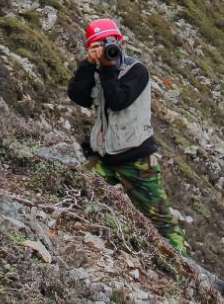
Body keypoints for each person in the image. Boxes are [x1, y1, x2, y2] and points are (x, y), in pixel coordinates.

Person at [67, 17, 187, 255]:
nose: (107, 49)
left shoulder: (137, 70)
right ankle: (90, 235)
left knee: (161, 220)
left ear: (120, 42)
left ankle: (187, 268)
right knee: (78, 187)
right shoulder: (96, 71)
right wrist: (89, 65)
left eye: (110, 43)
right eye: (98, 44)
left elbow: (118, 101)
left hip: (137, 161)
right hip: (104, 159)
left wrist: (108, 69)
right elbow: (78, 96)